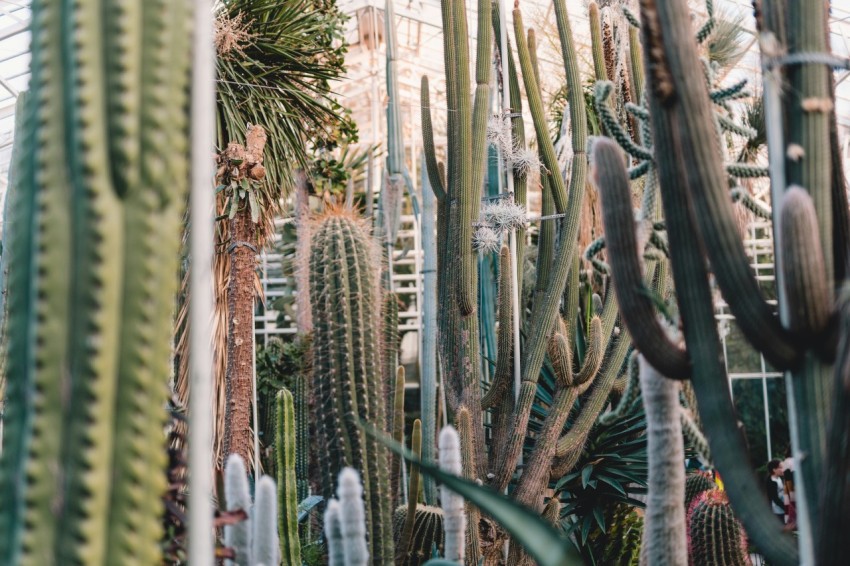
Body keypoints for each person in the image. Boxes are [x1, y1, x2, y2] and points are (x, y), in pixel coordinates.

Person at [766, 459, 785, 524]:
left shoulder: (779, 478)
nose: (783, 469)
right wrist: (786, 508)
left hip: (782, 506)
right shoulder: (771, 482)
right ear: (774, 470)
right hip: (777, 510)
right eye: (780, 467)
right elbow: (775, 499)